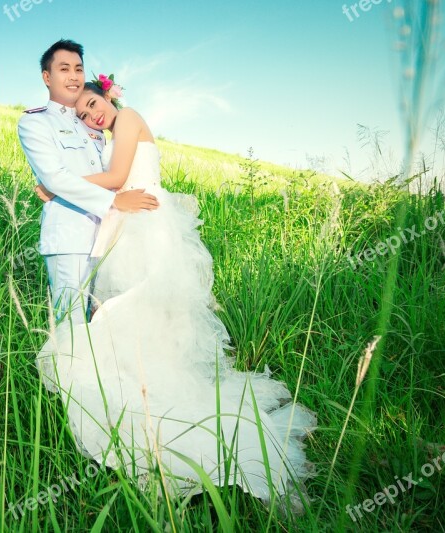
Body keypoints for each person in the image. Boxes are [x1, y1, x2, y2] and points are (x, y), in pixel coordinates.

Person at [35, 80, 317, 512]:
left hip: (149, 224)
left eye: (93, 103)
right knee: (139, 321)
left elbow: (114, 177)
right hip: (129, 224)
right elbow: (112, 186)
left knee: (136, 309)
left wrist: (56, 187)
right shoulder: (110, 132)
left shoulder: (127, 118)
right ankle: (148, 390)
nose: (92, 115)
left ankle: (162, 408)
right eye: (83, 114)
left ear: (108, 96)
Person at [17, 39, 159, 325]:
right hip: (69, 236)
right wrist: (112, 200)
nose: (73, 76)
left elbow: (114, 175)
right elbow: (55, 176)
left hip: (108, 237)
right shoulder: (35, 122)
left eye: (79, 69)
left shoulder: (95, 124)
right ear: (47, 77)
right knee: (72, 325)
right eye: (64, 69)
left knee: (104, 325)